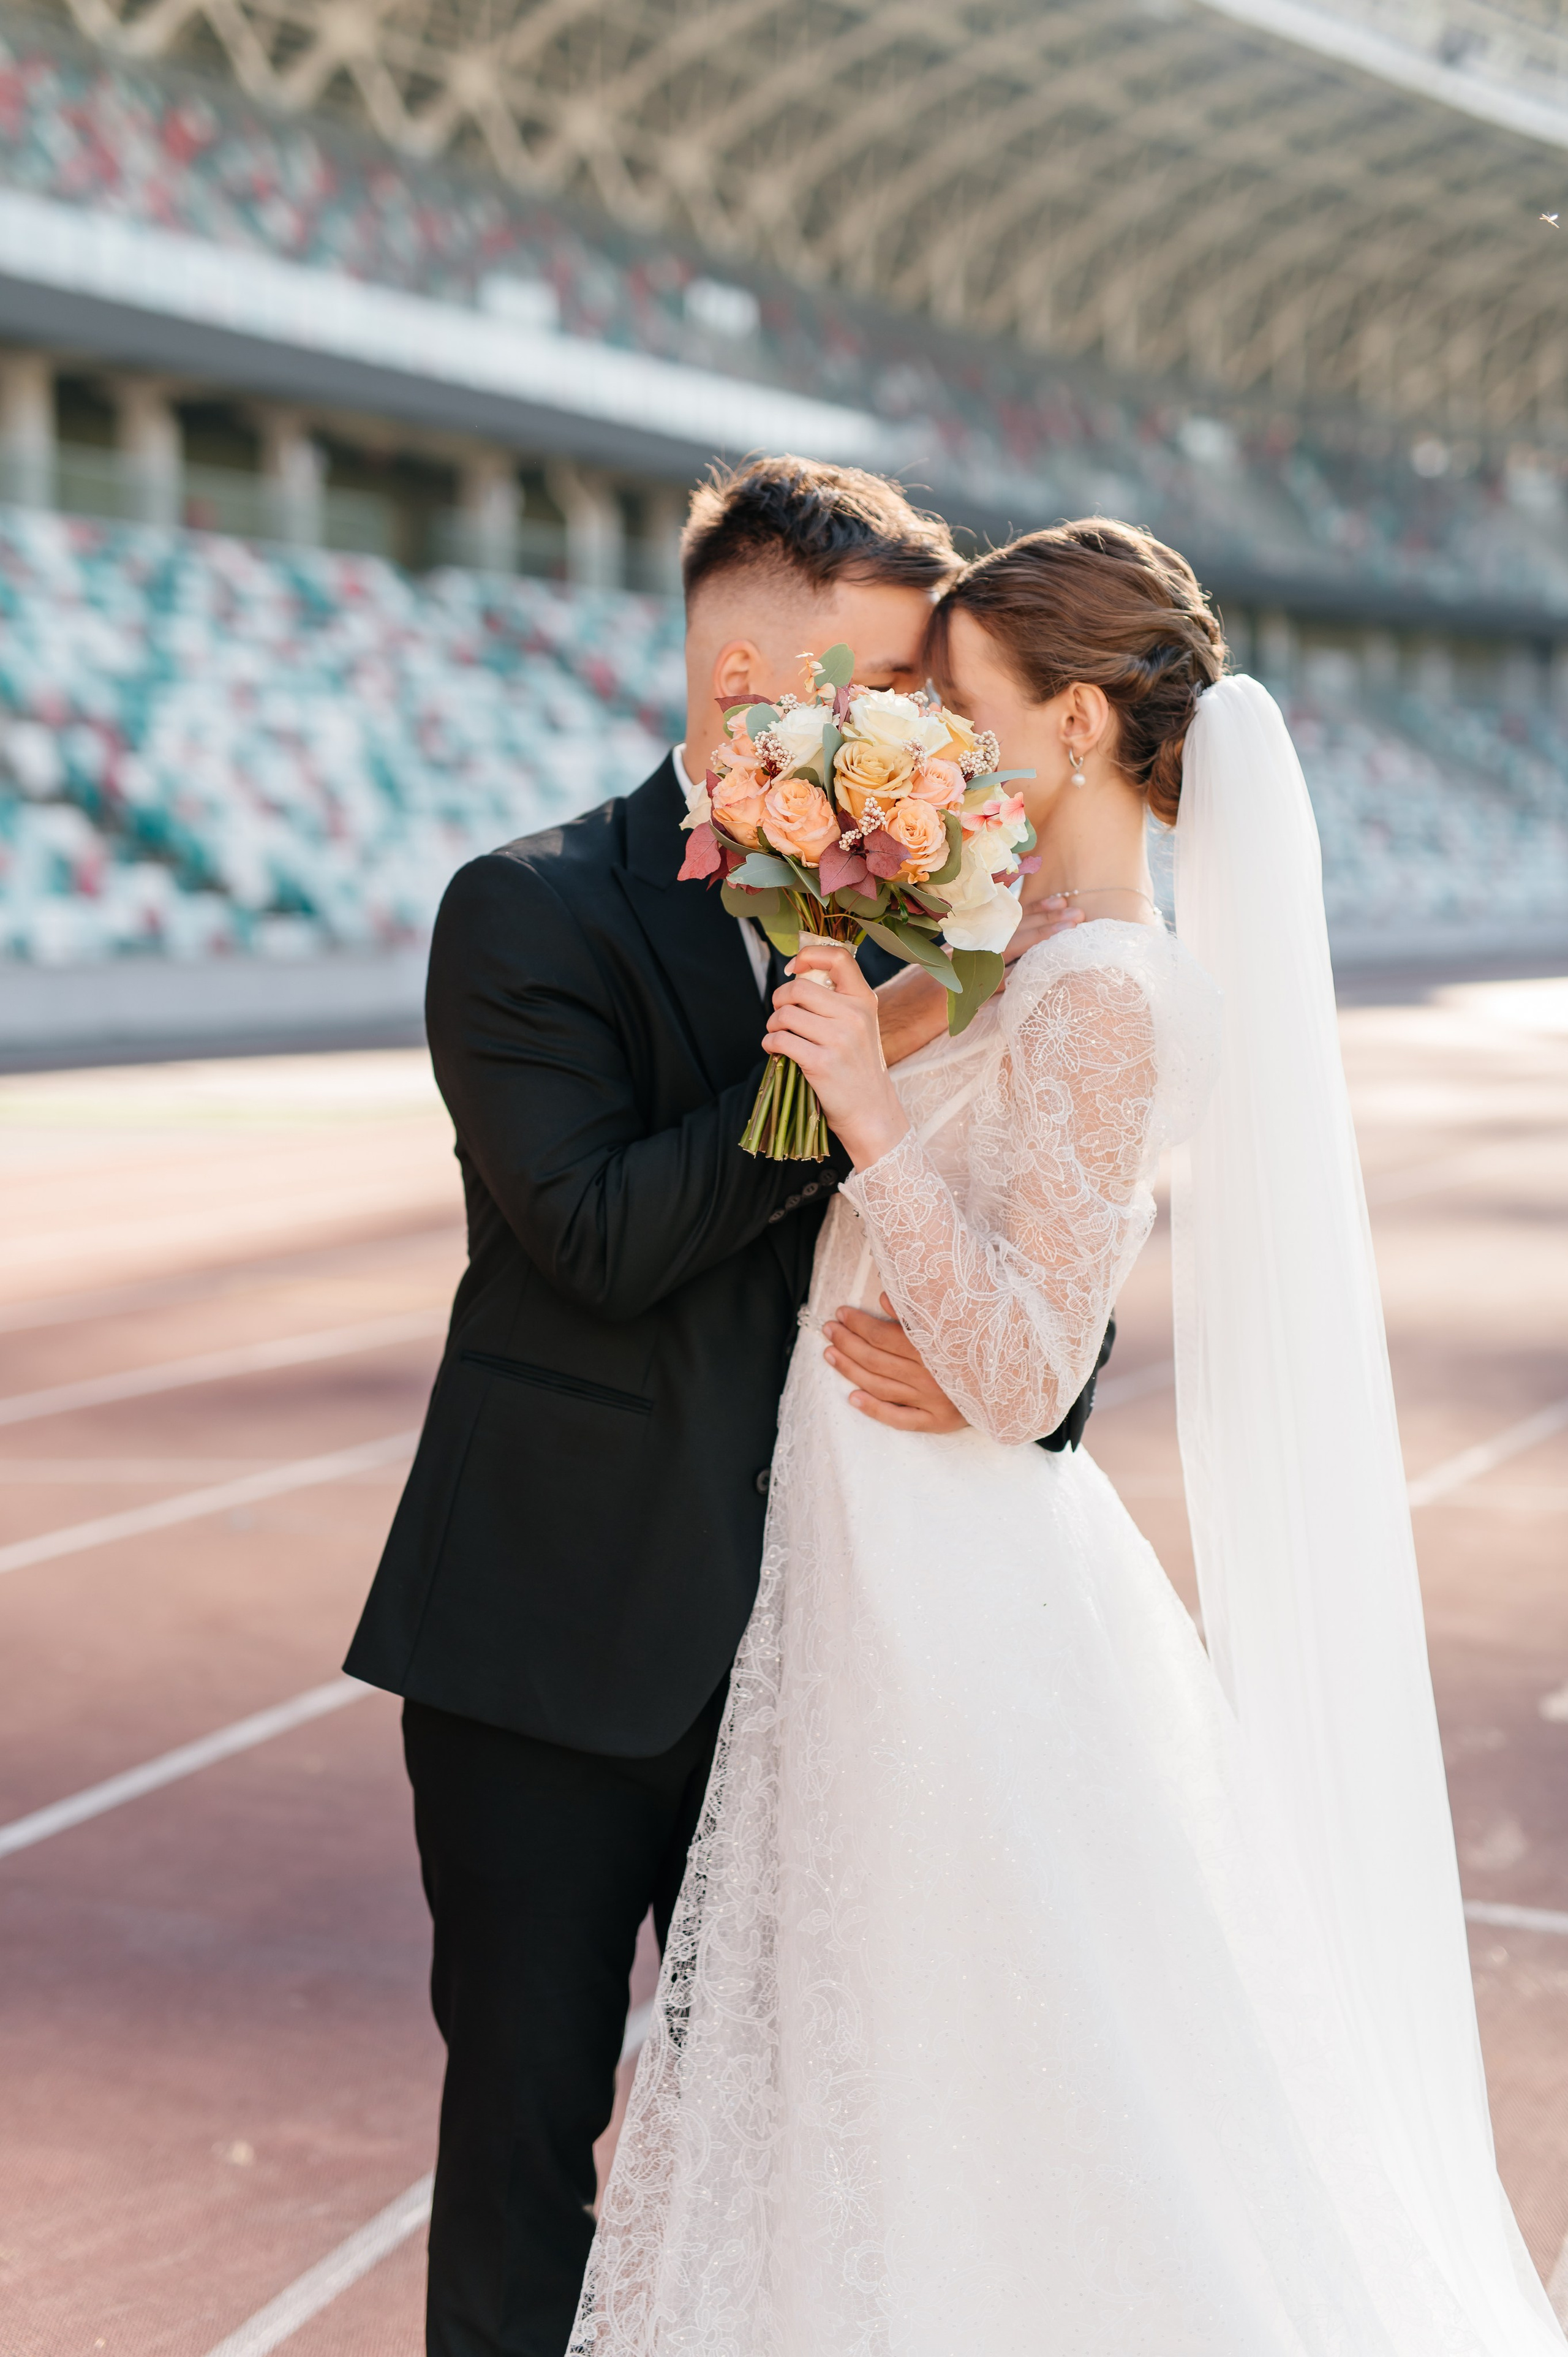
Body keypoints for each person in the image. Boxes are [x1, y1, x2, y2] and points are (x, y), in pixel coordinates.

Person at [571, 521, 1565, 2356]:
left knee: (969, 2059)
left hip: (955, 1570)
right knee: (885, 2050)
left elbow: (1028, 1367)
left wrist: (867, 1108)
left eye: (962, 707)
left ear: (1085, 723)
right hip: (876, 1526)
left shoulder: (1109, 984)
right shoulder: (1026, 940)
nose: (935, 740)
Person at [343, 457, 1102, 2357]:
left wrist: (1039, 1376)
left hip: (837, 1652)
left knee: (792, 2158)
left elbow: (1033, 1245)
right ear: (755, 693)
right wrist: (852, 1063)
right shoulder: (522, 914)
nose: (929, 731)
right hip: (557, 1652)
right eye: (890, 689)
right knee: (531, 2148)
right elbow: (596, 1237)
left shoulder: (949, 914)